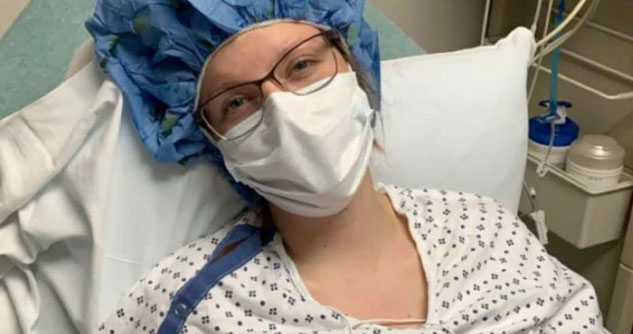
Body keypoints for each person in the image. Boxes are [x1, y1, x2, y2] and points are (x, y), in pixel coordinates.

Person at [87, 1, 608, 333]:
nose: (283, 110)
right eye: (237, 103)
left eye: (300, 66)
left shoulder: (485, 230)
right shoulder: (192, 300)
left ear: (356, 71)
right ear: (216, 146)